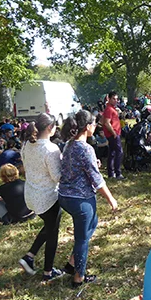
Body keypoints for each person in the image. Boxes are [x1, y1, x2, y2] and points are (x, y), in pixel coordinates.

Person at [59, 109, 118, 288]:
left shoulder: (69, 144)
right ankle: (79, 277)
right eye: (94, 123)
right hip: (80, 199)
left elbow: (74, 167)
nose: (96, 126)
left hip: (65, 196)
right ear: (87, 127)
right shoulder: (86, 148)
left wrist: (94, 165)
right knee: (82, 239)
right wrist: (111, 199)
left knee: (92, 223)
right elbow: (97, 180)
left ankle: (72, 263)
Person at [19, 113, 68, 283]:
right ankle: (48, 272)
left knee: (49, 226)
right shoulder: (51, 149)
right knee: (52, 233)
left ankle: (29, 256)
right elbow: (57, 177)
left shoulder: (27, 145)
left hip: (31, 195)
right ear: (49, 128)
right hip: (48, 198)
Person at [102, 91, 125, 180]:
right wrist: (113, 133)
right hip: (113, 134)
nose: (115, 101)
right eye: (113, 99)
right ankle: (118, 173)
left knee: (112, 153)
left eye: (116, 99)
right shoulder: (109, 109)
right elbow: (106, 123)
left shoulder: (112, 108)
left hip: (114, 133)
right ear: (109, 99)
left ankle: (111, 173)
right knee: (119, 152)